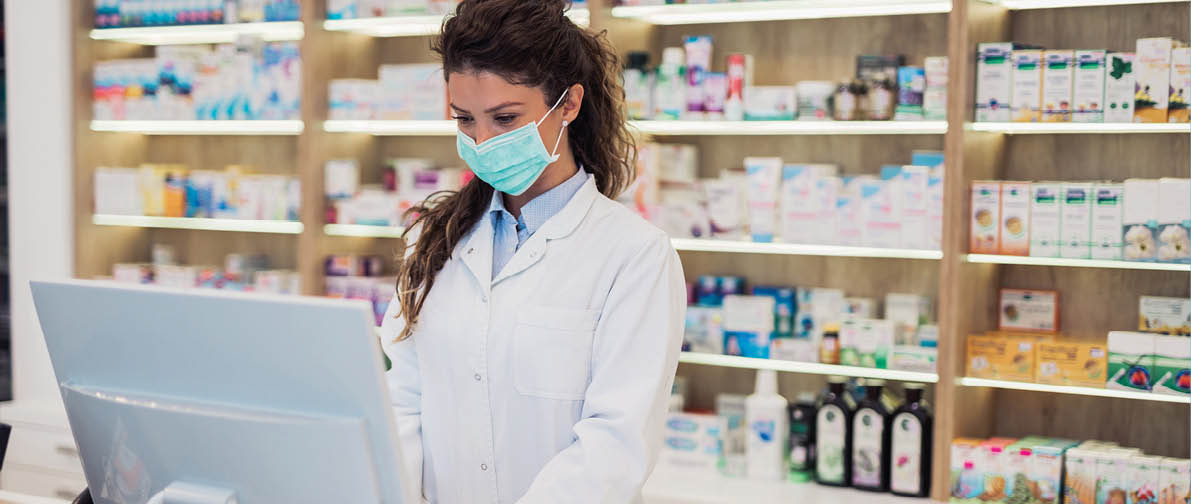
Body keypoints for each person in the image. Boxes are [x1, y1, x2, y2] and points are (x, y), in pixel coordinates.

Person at [379, 1, 687, 502]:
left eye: (504, 119)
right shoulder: (433, 241)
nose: (481, 141)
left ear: (568, 105)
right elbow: (403, 402)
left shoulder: (635, 256)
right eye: (464, 120)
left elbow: (615, 442)